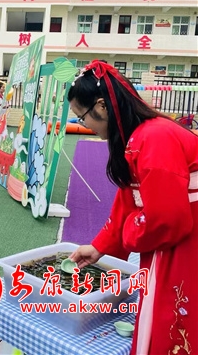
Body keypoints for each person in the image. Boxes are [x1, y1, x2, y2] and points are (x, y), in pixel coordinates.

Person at [68, 60, 197, 355]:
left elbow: (167, 219)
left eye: (82, 117)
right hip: (177, 241)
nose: (85, 125)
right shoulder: (140, 136)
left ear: (101, 106)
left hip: (185, 246)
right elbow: (128, 202)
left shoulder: (154, 138)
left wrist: (128, 234)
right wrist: (99, 246)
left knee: (171, 317)